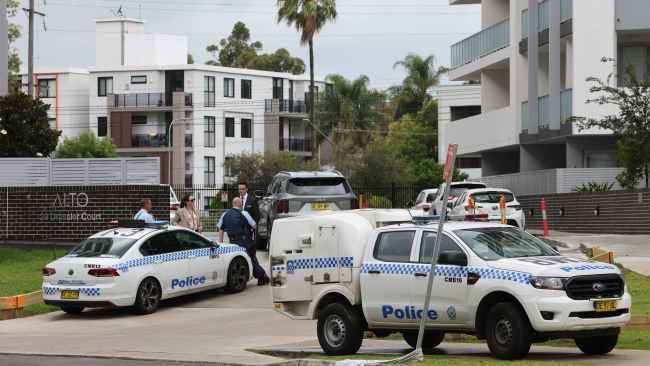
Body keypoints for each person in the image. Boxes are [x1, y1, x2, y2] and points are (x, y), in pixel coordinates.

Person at [218, 197, 270, 286]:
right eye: (241, 203)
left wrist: (221, 242)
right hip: (245, 241)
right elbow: (254, 226)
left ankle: (243, 279)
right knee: (252, 260)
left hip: (233, 242)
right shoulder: (244, 213)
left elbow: (220, 228)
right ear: (239, 204)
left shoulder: (225, 214)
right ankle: (262, 276)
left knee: (240, 260)